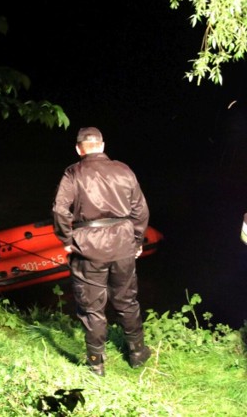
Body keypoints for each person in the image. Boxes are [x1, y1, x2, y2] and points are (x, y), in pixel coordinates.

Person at [52, 127, 151, 376]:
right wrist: (137, 240)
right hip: (122, 243)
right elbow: (140, 210)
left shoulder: (73, 173)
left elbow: (59, 210)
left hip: (88, 247)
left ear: (78, 149)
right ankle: (137, 352)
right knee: (126, 299)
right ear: (102, 145)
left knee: (92, 307)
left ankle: (96, 363)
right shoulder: (124, 169)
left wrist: (66, 239)